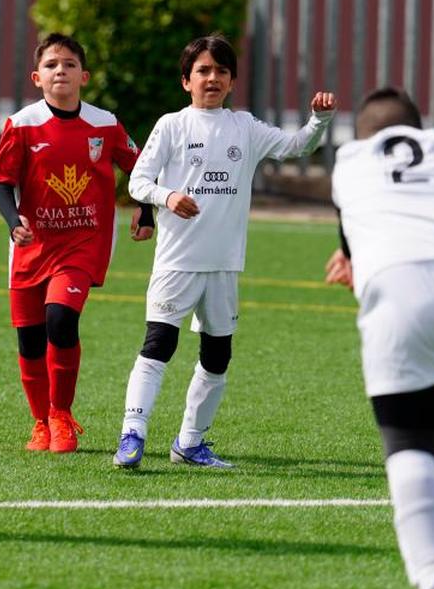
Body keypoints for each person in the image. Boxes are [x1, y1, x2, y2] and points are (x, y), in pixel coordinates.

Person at [113, 33, 336, 469]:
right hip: (177, 261)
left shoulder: (245, 128)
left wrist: (319, 121)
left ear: (231, 81)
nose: (211, 78)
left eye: (220, 71)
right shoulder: (172, 125)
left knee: (217, 356)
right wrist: (167, 196)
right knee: (158, 344)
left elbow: (296, 147)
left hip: (224, 264)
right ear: (186, 81)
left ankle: (190, 442)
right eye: (203, 71)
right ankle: (132, 435)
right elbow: (138, 181)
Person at [324, 87, 434, 589]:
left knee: (408, 443)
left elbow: (349, 232)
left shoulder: (350, 159)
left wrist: (350, 259)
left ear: (363, 134)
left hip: (400, 287)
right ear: (417, 129)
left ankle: (431, 580)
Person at [0, 33, 154, 454]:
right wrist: (13, 222)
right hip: (31, 245)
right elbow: (1, 184)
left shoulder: (105, 124)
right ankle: (40, 422)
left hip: (83, 243)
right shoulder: (21, 124)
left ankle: (61, 414)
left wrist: (146, 208)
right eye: (51, 64)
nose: (60, 70)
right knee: (29, 340)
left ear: (85, 75)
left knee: (61, 321)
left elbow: (141, 168)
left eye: (69, 64)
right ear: (37, 77)